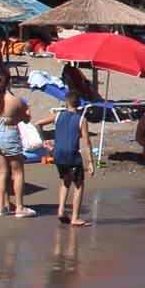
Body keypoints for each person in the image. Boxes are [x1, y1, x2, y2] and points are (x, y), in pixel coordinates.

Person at [38, 88, 90, 225]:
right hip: (72, 155)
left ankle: (61, 210)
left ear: (66, 104)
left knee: (65, 182)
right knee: (79, 185)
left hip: (58, 155)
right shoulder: (81, 120)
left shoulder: (58, 115)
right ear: (79, 105)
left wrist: (44, 140)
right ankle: (75, 217)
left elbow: (38, 124)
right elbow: (87, 143)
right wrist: (90, 162)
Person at [0, 69, 30, 217]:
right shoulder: (15, 100)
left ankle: (0, 206)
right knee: (17, 172)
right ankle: (20, 207)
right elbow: (26, 118)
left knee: (1, 172)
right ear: (9, 82)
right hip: (9, 132)